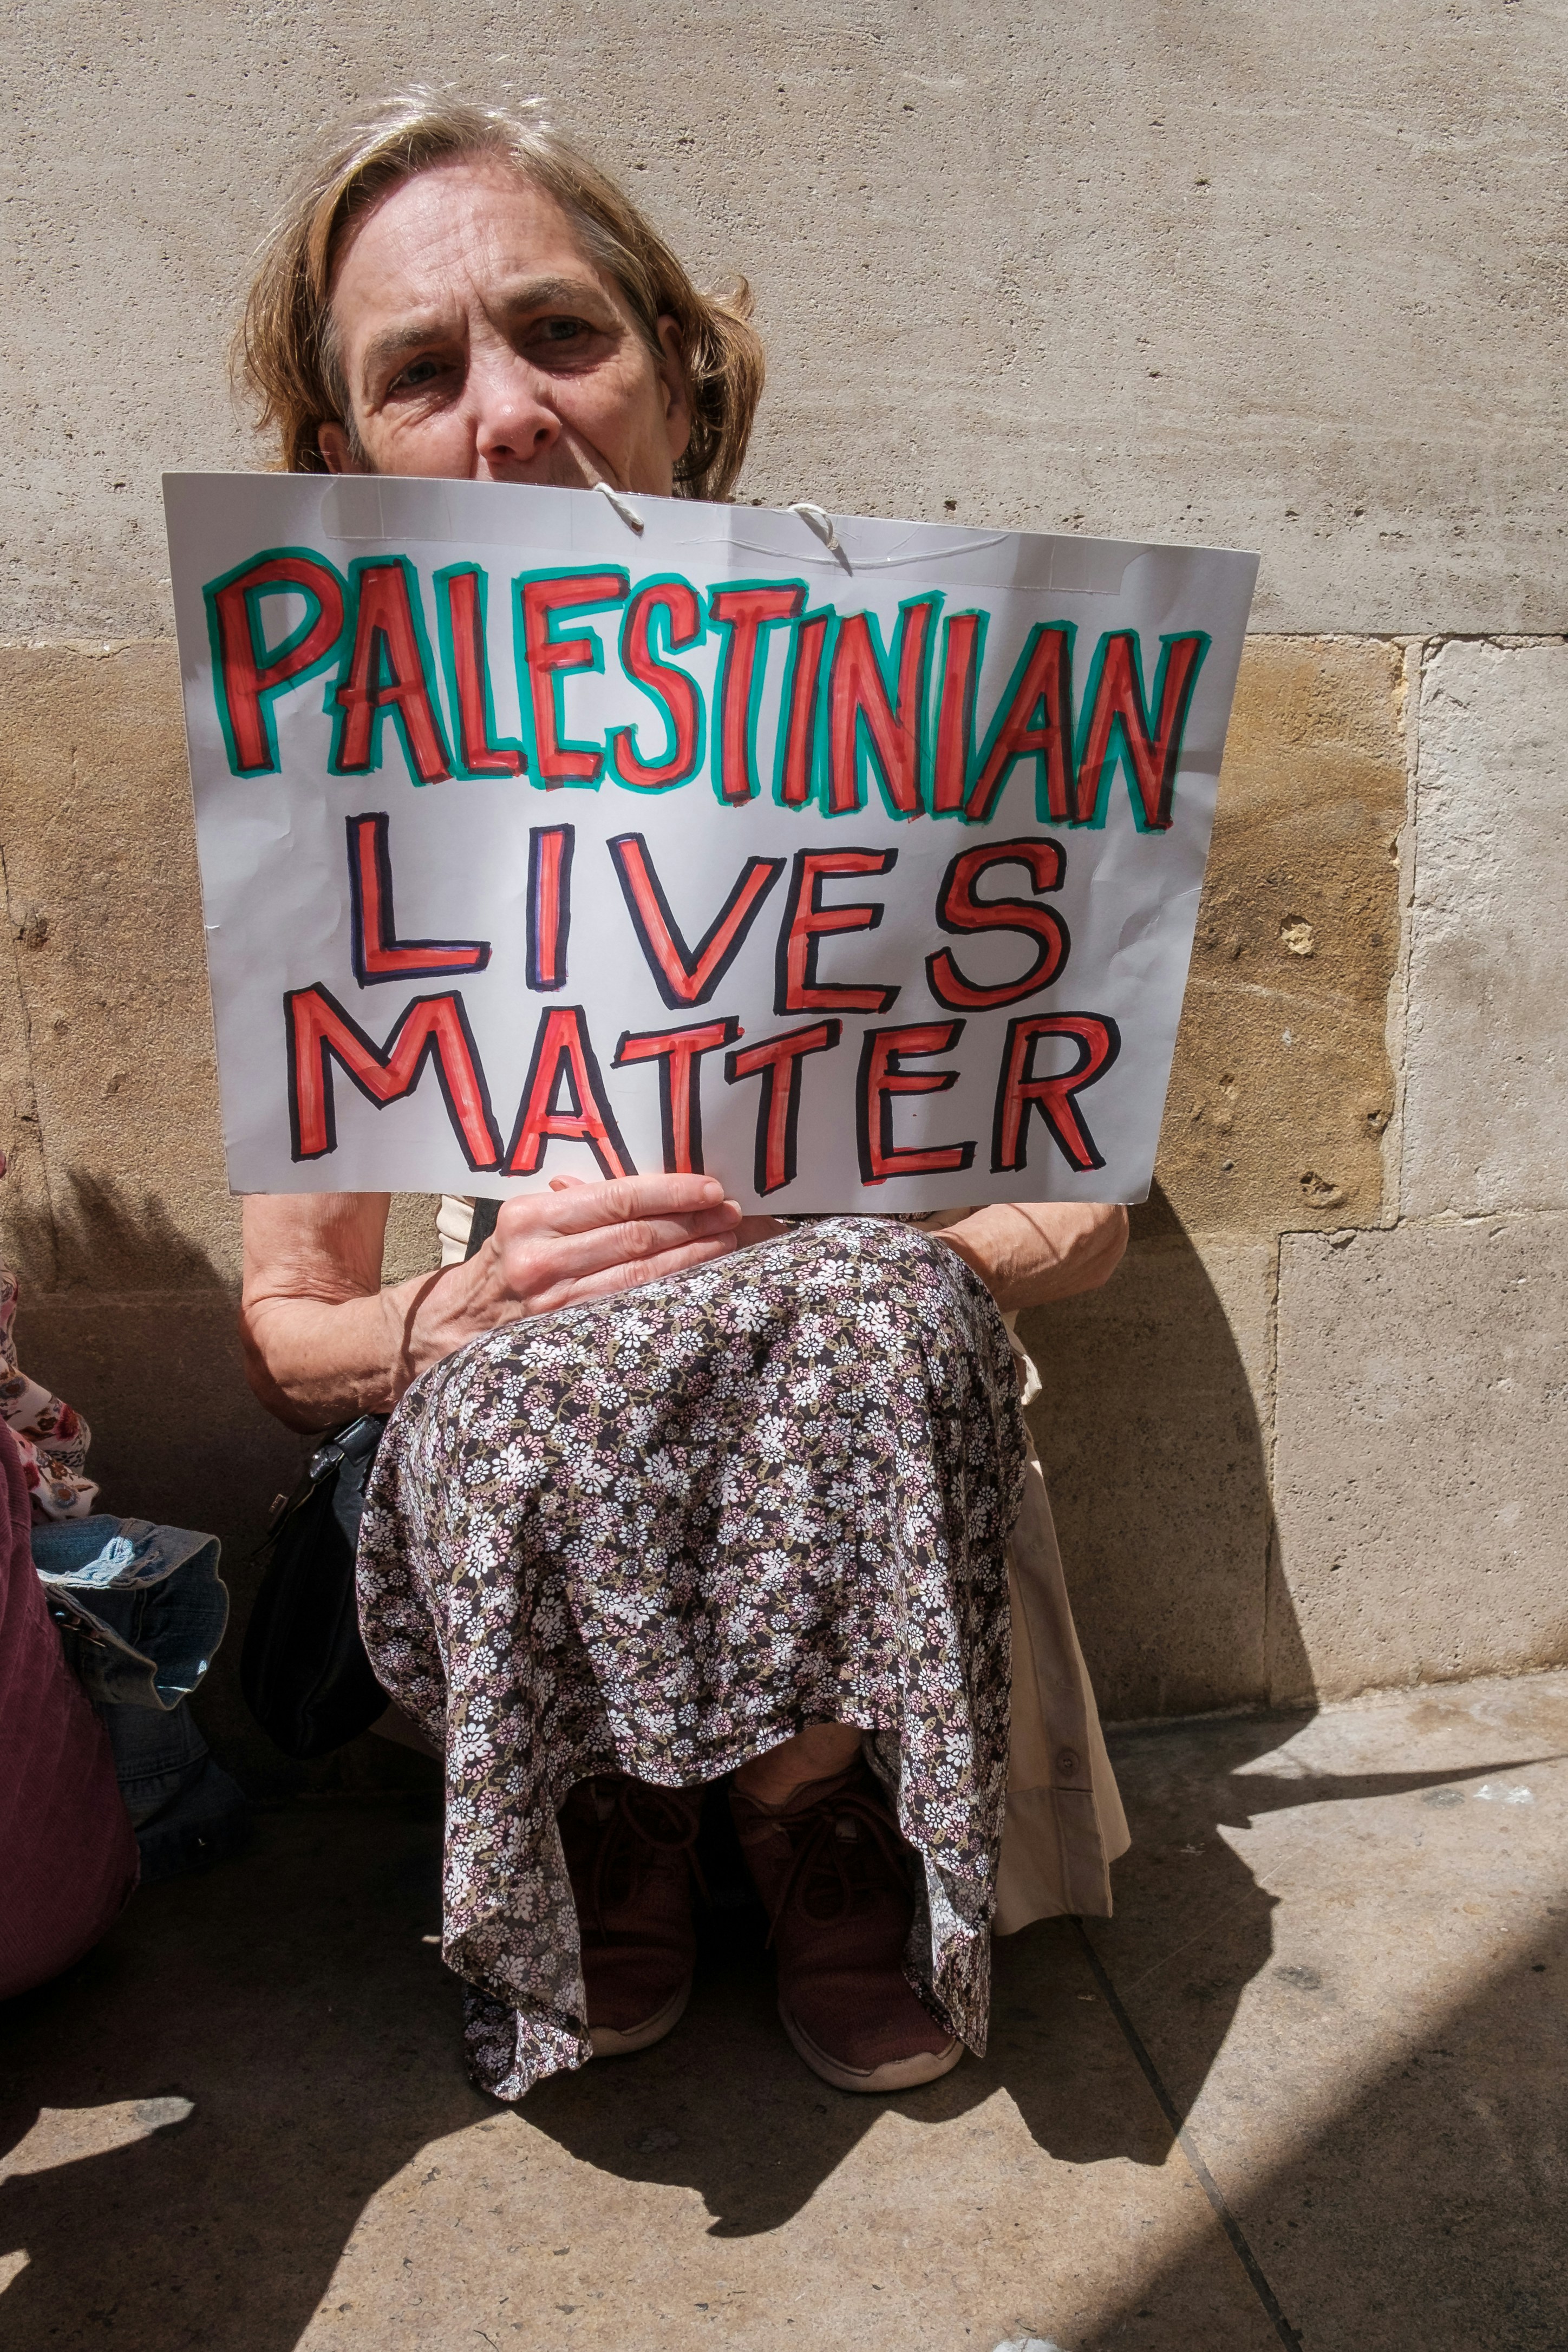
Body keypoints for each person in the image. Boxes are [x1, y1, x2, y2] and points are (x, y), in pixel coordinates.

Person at [235, 92, 1132, 2102]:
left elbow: (1086, 1217)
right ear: (343, 456)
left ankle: (818, 1824)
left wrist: (879, 1263)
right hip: (532, 1425)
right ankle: (613, 1806)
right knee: (536, 1360)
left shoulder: (917, 697)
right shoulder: (326, 810)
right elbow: (292, 1333)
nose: (510, 414)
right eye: (419, 372)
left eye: (563, 335)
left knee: (857, 1305)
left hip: (855, 1391)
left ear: (679, 374)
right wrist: (435, 1316)